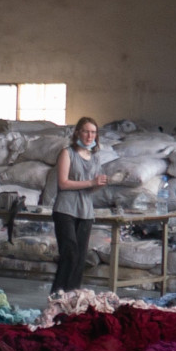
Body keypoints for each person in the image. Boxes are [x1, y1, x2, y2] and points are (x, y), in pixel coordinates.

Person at [51, 117, 113, 292]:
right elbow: (63, 183)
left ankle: (72, 296)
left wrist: (98, 185)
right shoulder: (67, 153)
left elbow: (89, 189)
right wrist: (91, 182)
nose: (89, 136)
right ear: (78, 132)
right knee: (69, 253)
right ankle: (57, 295)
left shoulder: (94, 158)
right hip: (65, 210)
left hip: (85, 212)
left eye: (93, 132)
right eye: (86, 131)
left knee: (79, 259)